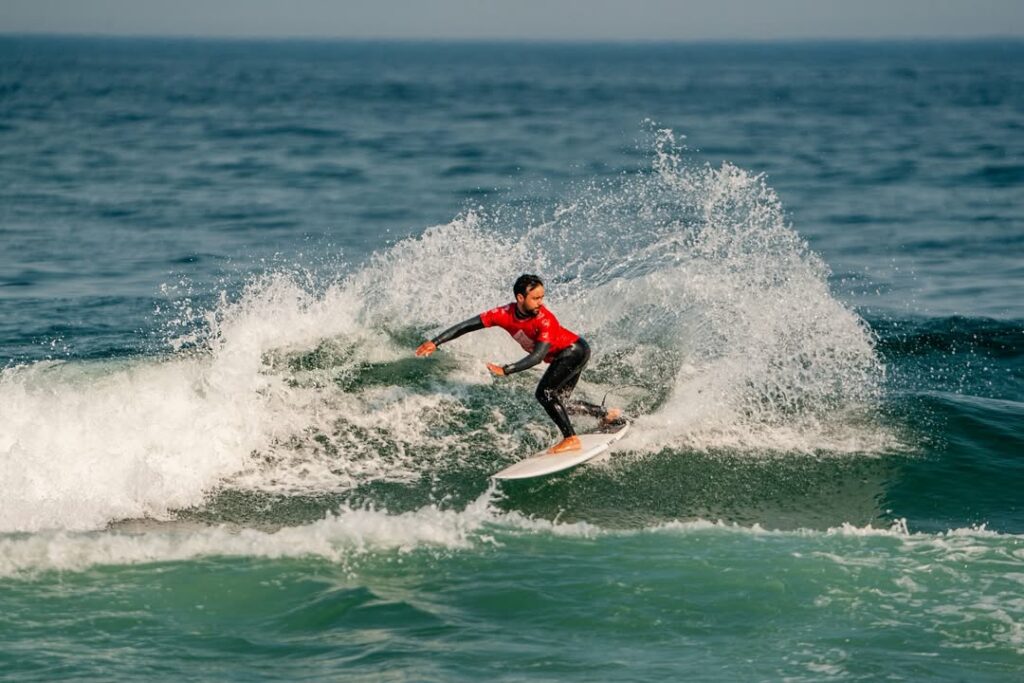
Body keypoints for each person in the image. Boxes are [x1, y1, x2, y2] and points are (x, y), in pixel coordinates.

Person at [415, 274, 621, 453]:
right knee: (559, 402)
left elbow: (538, 356)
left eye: (542, 297)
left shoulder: (545, 320)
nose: (541, 302)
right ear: (520, 298)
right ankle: (605, 414)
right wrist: (436, 342)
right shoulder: (503, 314)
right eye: (535, 298)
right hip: (569, 353)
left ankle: (571, 439)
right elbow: (467, 325)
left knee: (545, 394)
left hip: (573, 351)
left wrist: (507, 370)